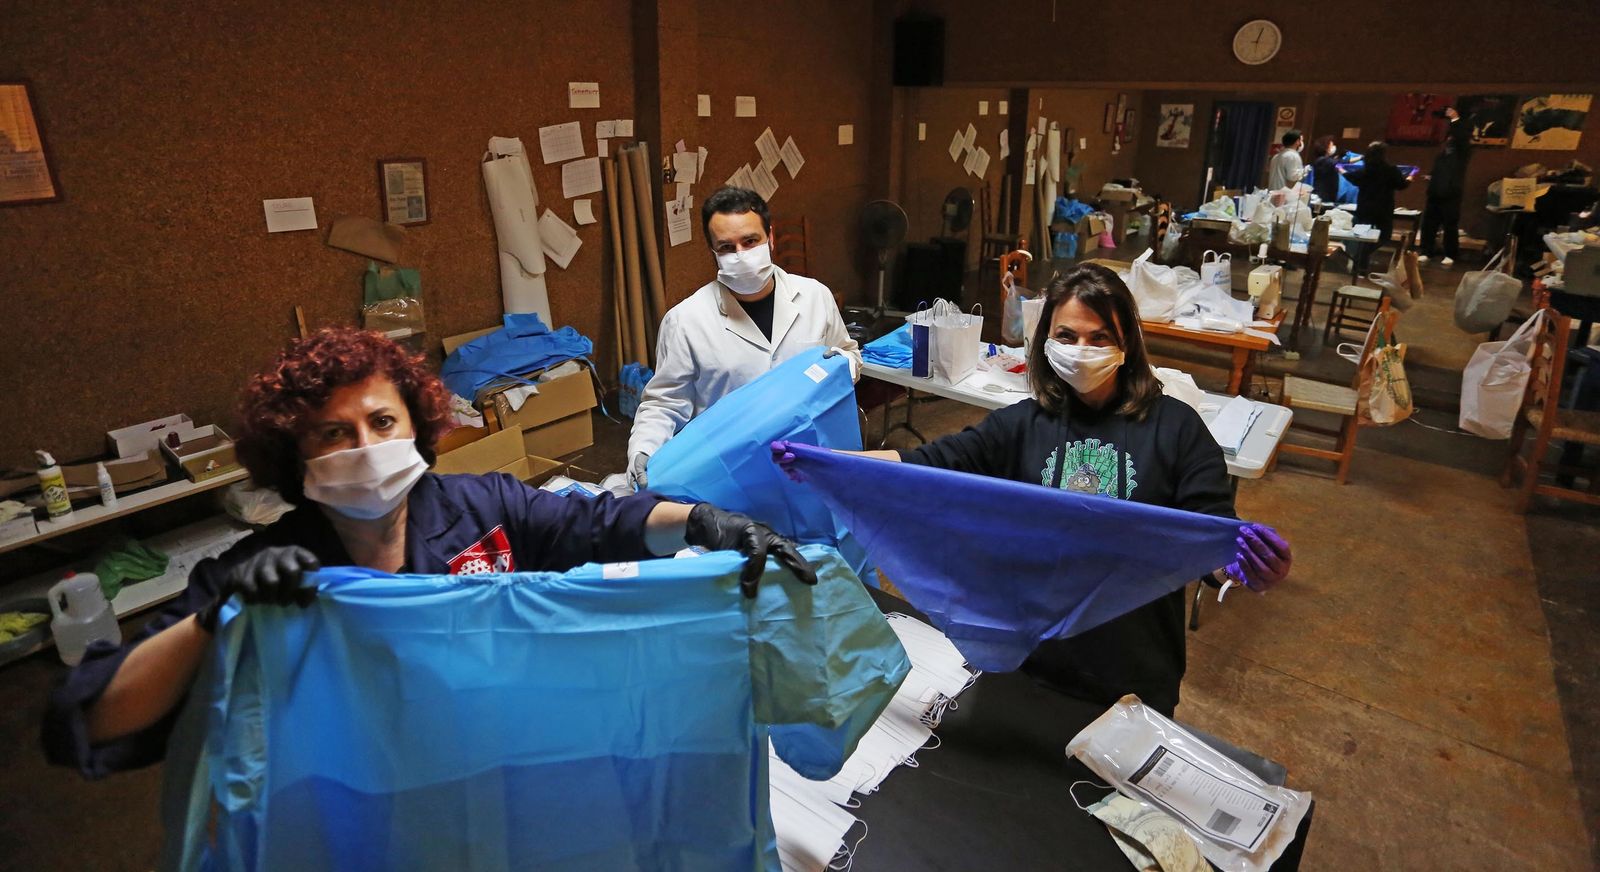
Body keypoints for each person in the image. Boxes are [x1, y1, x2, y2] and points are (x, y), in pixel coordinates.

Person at [43, 327, 816, 779]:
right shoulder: (264, 571)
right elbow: (87, 723)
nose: (364, 448)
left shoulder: (484, 508)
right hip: (359, 799)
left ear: (416, 424)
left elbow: (600, 523)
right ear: (294, 456)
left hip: (501, 765)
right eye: (332, 435)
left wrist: (706, 522)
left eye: (381, 423)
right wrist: (217, 619)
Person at [781, 265, 1293, 716]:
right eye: (1067, 335)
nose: (1082, 351)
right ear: (1045, 340)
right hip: (1029, 659)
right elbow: (925, 465)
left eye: (1099, 338)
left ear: (1127, 344)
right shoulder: (1022, 425)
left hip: (1133, 675)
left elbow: (1210, 534)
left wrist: (1244, 564)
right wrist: (828, 464)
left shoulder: (1178, 429)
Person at [627, 187, 861, 489]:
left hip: (808, 459)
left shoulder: (815, 296)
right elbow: (665, 403)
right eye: (726, 247)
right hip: (731, 470)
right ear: (712, 252)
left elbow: (849, 355)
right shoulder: (685, 321)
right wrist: (643, 449)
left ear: (770, 238)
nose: (740, 255)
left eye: (750, 241)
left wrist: (845, 364)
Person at [1344, 141, 1412, 275]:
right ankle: (1361, 259)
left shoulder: (1365, 170)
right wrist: (1410, 178)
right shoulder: (1391, 170)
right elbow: (1401, 185)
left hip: (1365, 206)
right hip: (1383, 207)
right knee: (1385, 235)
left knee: (1363, 237)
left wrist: (1342, 171)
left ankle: (1359, 267)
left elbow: (1352, 178)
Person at [1418, 107, 1472, 267]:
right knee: (1429, 224)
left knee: (1450, 225)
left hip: (1451, 193)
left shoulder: (1463, 153)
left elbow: (1461, 137)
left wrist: (1455, 119)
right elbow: (1438, 171)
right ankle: (1426, 251)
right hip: (1435, 192)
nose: (1448, 140)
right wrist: (1431, 177)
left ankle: (1450, 253)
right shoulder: (1442, 155)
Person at [1309, 135, 1343, 205]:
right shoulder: (1322, 160)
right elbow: (1340, 162)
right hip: (1323, 195)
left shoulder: (1325, 160)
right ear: (1325, 147)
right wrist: (1360, 158)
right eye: (1331, 145)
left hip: (1327, 194)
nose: (1333, 147)